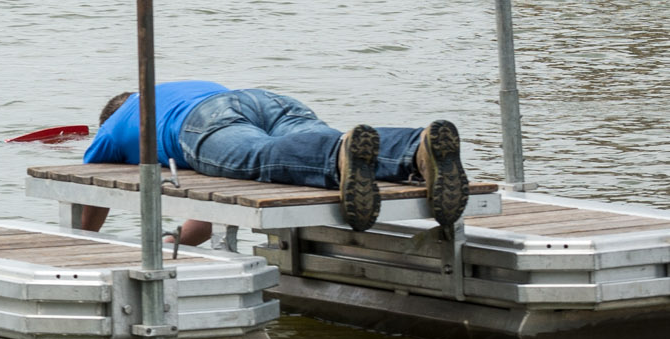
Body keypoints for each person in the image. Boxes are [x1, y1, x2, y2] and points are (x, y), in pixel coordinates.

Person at [77, 81, 467, 236]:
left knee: (258, 159)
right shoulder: (173, 89)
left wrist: (85, 240)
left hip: (202, 122)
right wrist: (170, 242)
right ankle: (415, 148)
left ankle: (335, 157)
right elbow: (204, 226)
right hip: (262, 99)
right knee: (333, 146)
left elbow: (89, 187)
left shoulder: (114, 125)